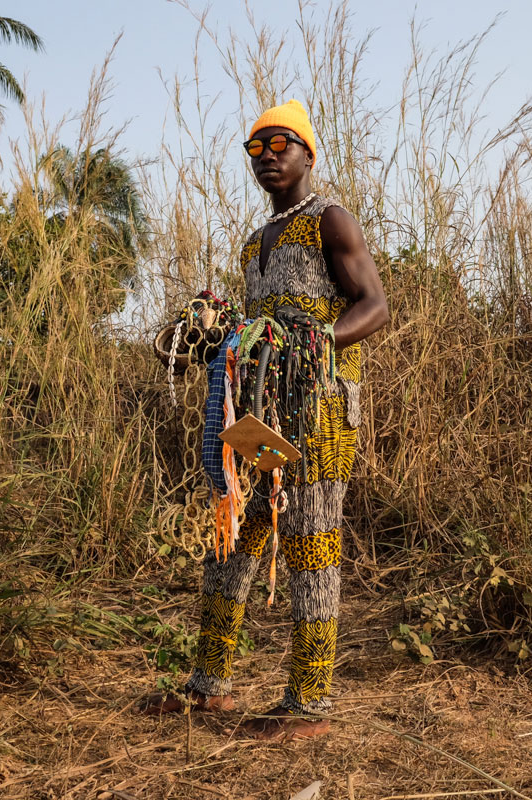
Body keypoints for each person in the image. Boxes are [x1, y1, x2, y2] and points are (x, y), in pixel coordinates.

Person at [142, 99, 389, 740]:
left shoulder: (329, 220)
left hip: (325, 409)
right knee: (234, 542)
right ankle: (209, 687)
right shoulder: (255, 242)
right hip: (263, 417)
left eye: (280, 144)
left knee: (312, 545)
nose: (268, 158)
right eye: (255, 149)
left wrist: (314, 347)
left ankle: (310, 706)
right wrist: (204, 338)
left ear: (308, 152)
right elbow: (257, 333)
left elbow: (374, 307)